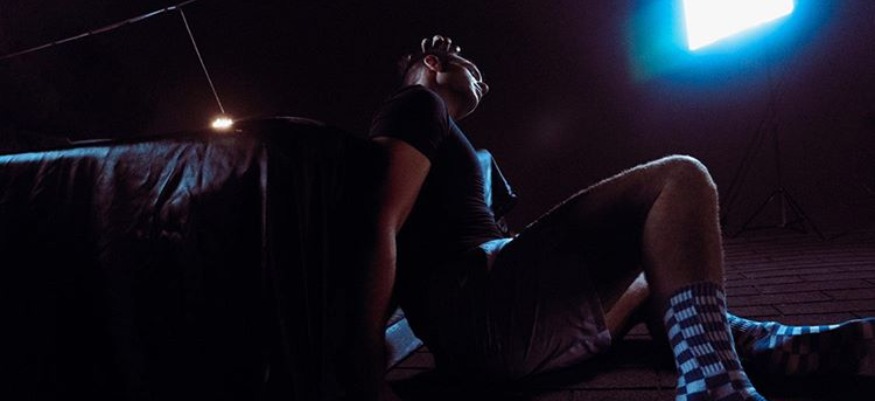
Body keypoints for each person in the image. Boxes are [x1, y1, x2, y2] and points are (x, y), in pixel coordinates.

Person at [349, 35, 875, 401]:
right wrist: (366, 373)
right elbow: (377, 222)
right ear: (435, 62)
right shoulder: (417, 103)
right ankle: (715, 386)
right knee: (680, 178)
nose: (482, 81)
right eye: (472, 69)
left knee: (655, 275)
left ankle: (770, 347)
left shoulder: (464, 149)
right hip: (482, 311)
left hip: (494, 342)